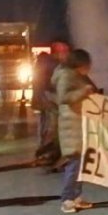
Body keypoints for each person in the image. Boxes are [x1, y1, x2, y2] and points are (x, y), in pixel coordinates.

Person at [54, 49, 99, 214]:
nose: (89, 68)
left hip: (79, 124)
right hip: (71, 126)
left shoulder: (77, 76)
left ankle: (77, 197)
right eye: (87, 65)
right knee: (73, 164)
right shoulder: (66, 75)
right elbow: (63, 98)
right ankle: (66, 199)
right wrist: (84, 91)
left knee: (80, 164)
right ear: (79, 64)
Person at [36, 41, 70, 169]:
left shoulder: (50, 64)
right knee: (53, 128)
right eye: (64, 51)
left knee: (51, 128)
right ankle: (48, 155)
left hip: (49, 100)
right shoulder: (55, 66)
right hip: (51, 101)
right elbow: (50, 85)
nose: (66, 54)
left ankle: (48, 155)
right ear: (57, 52)